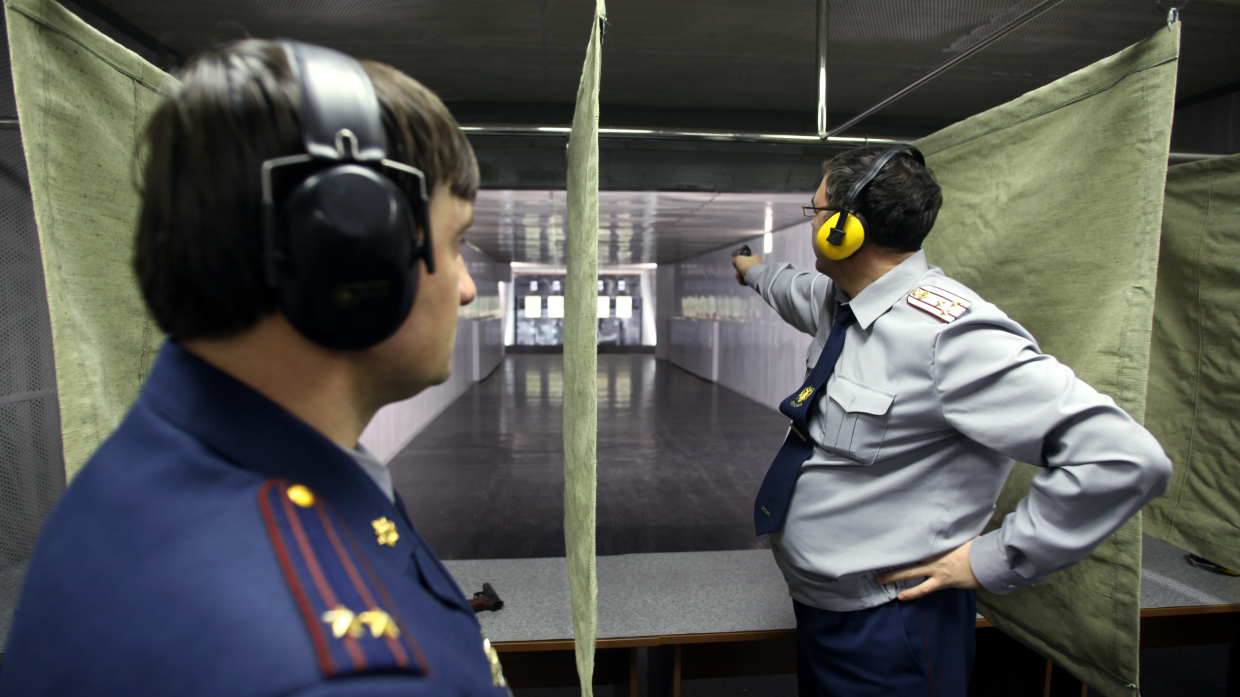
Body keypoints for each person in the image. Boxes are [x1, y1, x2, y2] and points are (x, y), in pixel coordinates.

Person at [0, 39, 510, 696]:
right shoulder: (329, 675)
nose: (467, 287)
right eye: (457, 240)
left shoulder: (176, 460)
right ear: (349, 257)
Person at [731, 144, 1171, 697]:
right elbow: (786, 286)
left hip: (891, 626)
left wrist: (993, 559)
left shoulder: (948, 336)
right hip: (823, 610)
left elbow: (1124, 456)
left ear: (842, 230)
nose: (811, 222)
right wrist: (750, 271)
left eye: (815, 212)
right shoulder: (839, 300)